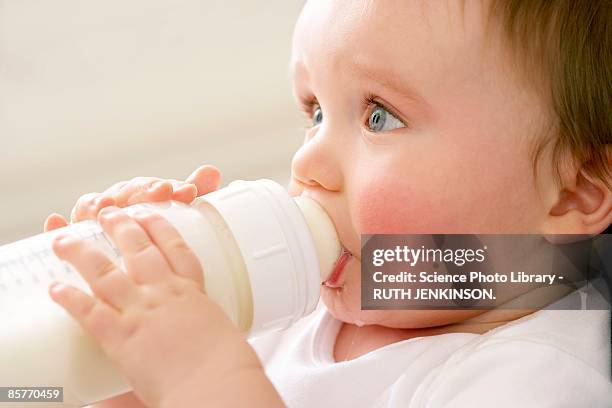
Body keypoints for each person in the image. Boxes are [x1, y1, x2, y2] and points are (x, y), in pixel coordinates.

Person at [43, 0, 612, 406]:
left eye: (378, 116)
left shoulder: (535, 379)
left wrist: (205, 377)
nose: (307, 164)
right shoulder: (293, 313)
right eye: (315, 111)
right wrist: (129, 354)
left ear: (574, 190)